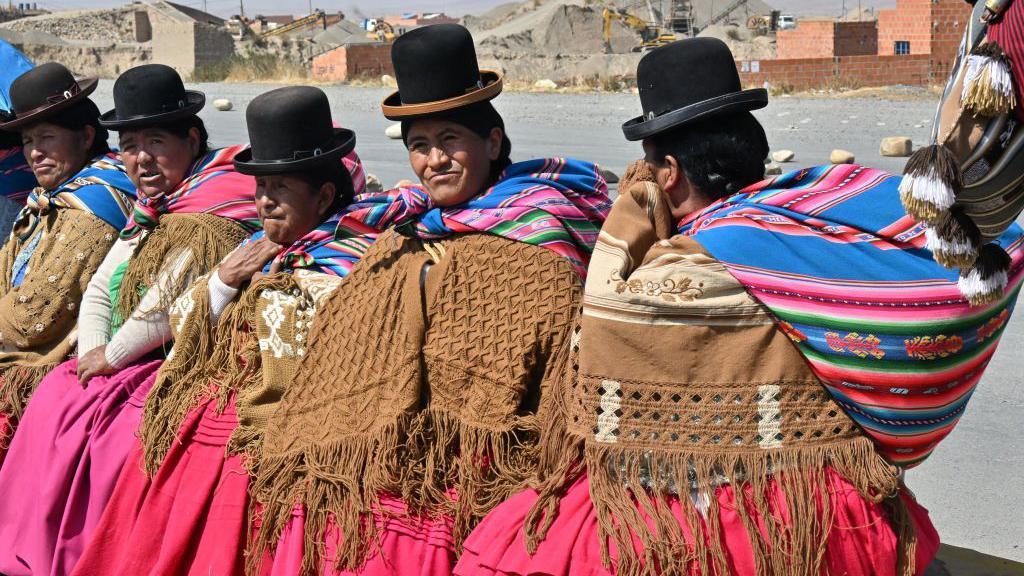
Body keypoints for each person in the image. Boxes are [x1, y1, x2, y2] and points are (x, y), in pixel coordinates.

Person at [455, 37, 1024, 576]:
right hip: (830, 499)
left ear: (670, 173)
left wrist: (631, 215)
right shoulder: (816, 212)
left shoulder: (692, 264)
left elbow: (606, 321)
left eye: (652, 167)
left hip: (729, 515)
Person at [243, 23, 611, 576]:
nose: (434, 160)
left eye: (450, 141)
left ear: (490, 141)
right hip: (391, 442)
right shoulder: (404, 231)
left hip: (489, 456)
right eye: (419, 146)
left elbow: (557, 366)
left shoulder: (540, 227)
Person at [70, 85, 368, 576]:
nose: (266, 204)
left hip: (281, 421)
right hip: (216, 399)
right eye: (261, 189)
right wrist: (225, 281)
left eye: (282, 189)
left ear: (325, 195)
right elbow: (184, 317)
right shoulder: (252, 247)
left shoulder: (348, 259)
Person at [0, 63, 259, 576]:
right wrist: (91, 357)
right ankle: (32, 548)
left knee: (113, 431)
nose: (142, 159)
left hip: (173, 354)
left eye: (156, 142)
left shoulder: (208, 211)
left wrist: (109, 359)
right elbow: (102, 284)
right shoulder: (152, 206)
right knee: (59, 393)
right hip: (123, 353)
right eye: (132, 145)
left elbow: (164, 307)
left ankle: (93, 552)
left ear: (190, 138)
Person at [0, 62, 135, 462]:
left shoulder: (92, 207)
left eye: (47, 137)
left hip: (58, 360)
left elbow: (36, 317)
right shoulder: (49, 200)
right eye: (27, 140)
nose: (34, 152)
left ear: (86, 135)